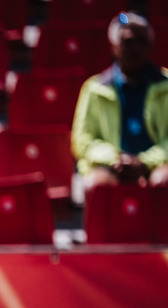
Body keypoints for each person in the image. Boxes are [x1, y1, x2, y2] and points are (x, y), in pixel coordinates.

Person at [71, 12, 168, 191]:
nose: (135, 48)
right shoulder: (94, 89)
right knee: (96, 185)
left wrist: (144, 162)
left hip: (158, 166)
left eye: (142, 41)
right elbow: (83, 141)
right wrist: (115, 159)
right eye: (128, 42)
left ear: (151, 46)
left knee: (164, 181)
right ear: (113, 46)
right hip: (112, 167)